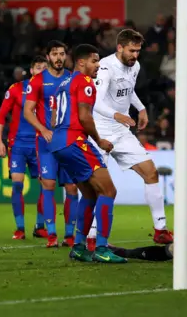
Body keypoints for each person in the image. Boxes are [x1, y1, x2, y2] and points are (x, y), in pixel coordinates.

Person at [89, 29, 173, 247]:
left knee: (151, 172)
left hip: (121, 131)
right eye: (131, 50)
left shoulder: (134, 66)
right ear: (120, 48)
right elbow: (95, 102)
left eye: (138, 51)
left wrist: (141, 108)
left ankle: (160, 230)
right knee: (97, 186)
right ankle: (91, 236)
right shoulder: (105, 68)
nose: (135, 55)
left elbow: (128, 91)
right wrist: (117, 115)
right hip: (99, 132)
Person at [49, 44, 126, 264]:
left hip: (59, 143)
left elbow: (53, 118)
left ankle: (79, 246)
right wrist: (100, 140)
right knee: (108, 190)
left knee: (90, 194)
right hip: (74, 141)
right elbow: (84, 117)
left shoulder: (62, 83)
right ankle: (101, 247)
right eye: (94, 61)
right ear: (81, 62)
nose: (98, 65)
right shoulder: (84, 82)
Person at [24, 41, 77, 248]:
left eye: (62, 54)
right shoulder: (37, 81)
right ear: (47, 57)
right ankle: (52, 233)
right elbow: (28, 111)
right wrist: (43, 129)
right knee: (49, 185)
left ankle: (70, 235)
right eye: (54, 54)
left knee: (72, 187)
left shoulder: (73, 78)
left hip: (69, 140)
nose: (58, 58)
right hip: (46, 142)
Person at [0, 55, 49, 240]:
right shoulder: (17, 89)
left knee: (46, 185)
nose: (41, 71)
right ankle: (20, 228)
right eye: (38, 68)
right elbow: (1, 116)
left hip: (40, 143)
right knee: (17, 185)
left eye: (45, 68)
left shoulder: (51, 91)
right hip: (17, 145)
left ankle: (39, 226)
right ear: (32, 70)